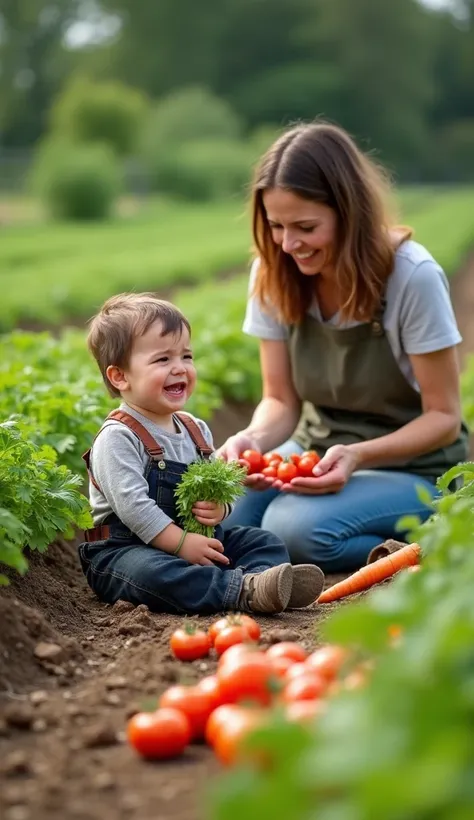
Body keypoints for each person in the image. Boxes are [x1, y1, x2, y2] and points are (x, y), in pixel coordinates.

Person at [218, 121, 468, 573]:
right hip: (319, 450)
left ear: (348, 213)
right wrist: (251, 439)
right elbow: (279, 400)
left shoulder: (411, 277)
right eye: (276, 226)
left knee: (292, 530)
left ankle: (431, 548)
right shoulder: (274, 273)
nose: (289, 244)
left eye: (306, 226)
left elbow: (445, 418)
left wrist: (358, 456)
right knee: (224, 515)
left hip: (416, 467)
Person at [78, 292, 325, 615]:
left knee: (262, 541)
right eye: (162, 360)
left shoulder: (195, 429)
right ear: (120, 376)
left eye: (186, 356)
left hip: (194, 541)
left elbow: (220, 483)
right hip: (126, 549)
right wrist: (181, 544)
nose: (179, 368)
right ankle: (243, 590)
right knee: (152, 573)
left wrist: (220, 508)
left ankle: (259, 583)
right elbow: (135, 508)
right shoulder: (118, 437)